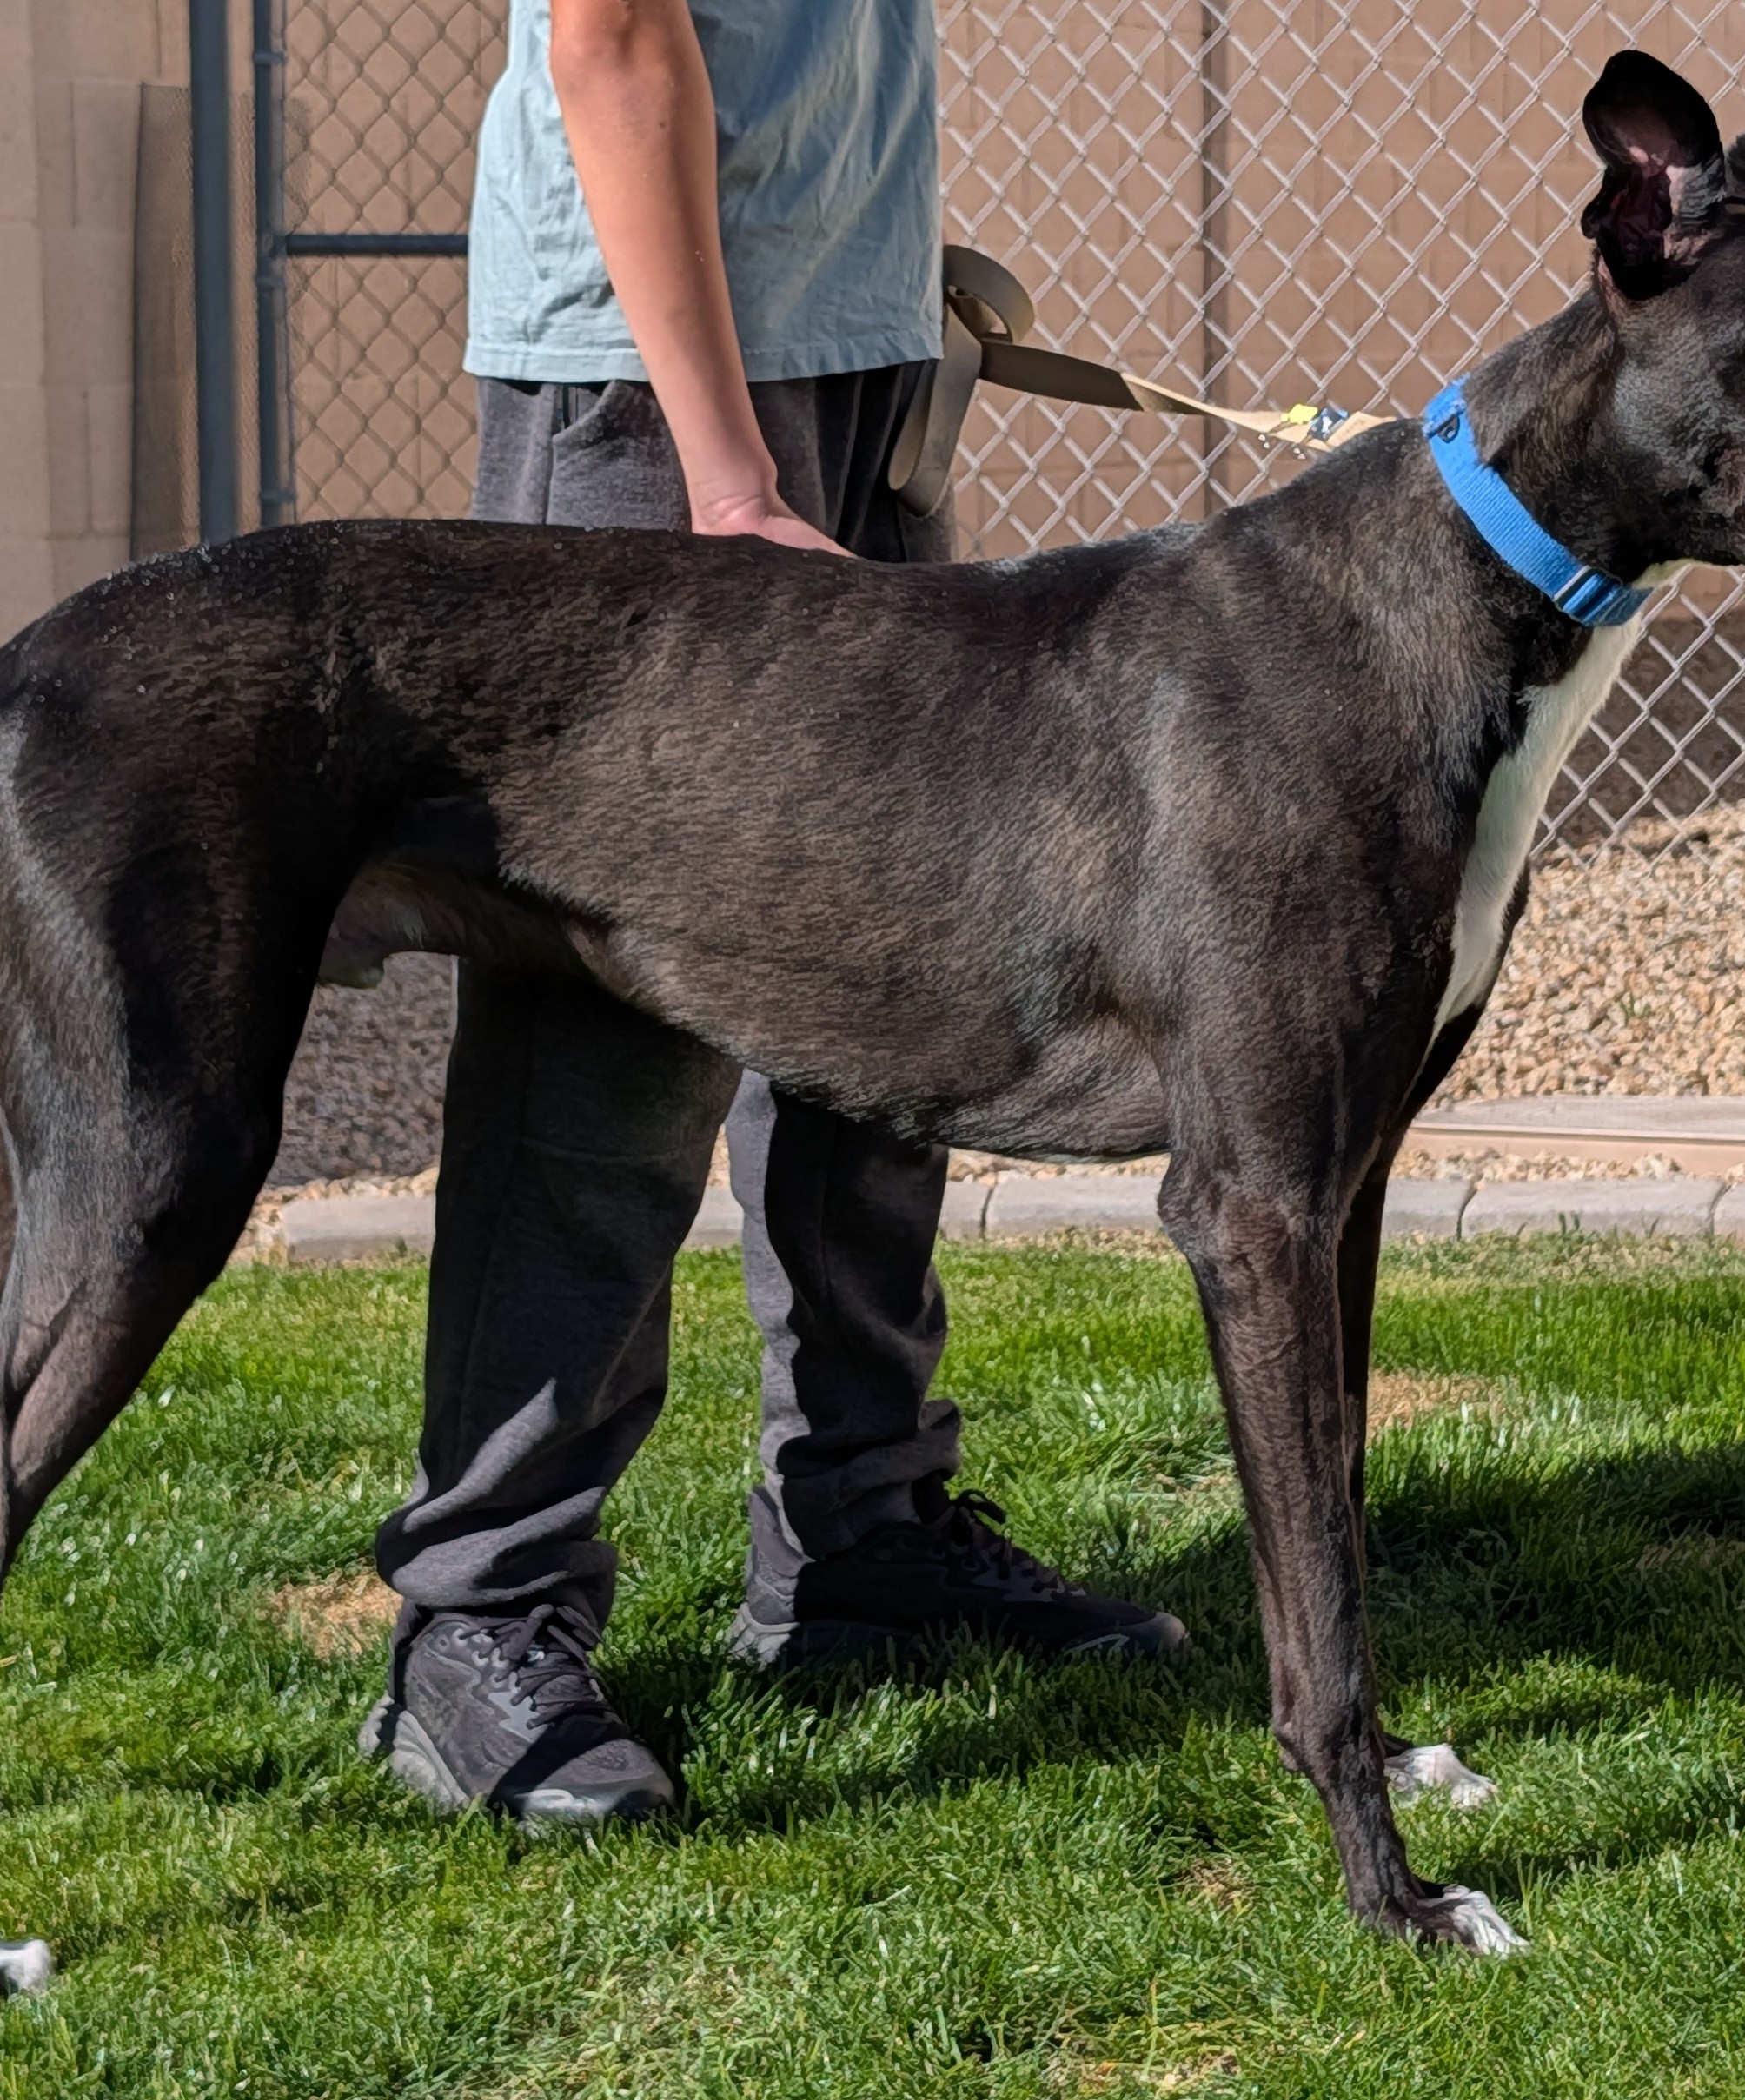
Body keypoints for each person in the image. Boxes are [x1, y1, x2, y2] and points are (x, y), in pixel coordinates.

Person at [360, 0, 1185, 1825]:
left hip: (854, 355)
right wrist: (729, 476)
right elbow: (609, 40)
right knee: (607, 1038)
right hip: (653, 395)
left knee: (888, 983)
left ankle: (857, 1536)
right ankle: (481, 1608)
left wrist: (880, 302)